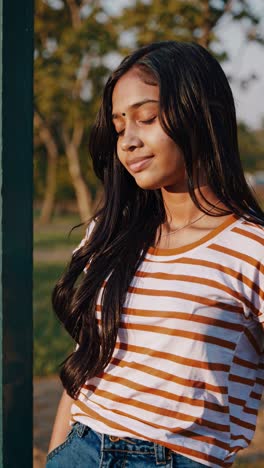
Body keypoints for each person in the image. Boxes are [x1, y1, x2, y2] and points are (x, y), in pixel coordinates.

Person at [46, 41, 264, 468]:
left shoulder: (251, 247)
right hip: (81, 452)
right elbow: (84, 367)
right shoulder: (108, 236)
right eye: (119, 124)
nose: (128, 141)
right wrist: (56, 454)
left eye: (146, 117)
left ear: (199, 113)